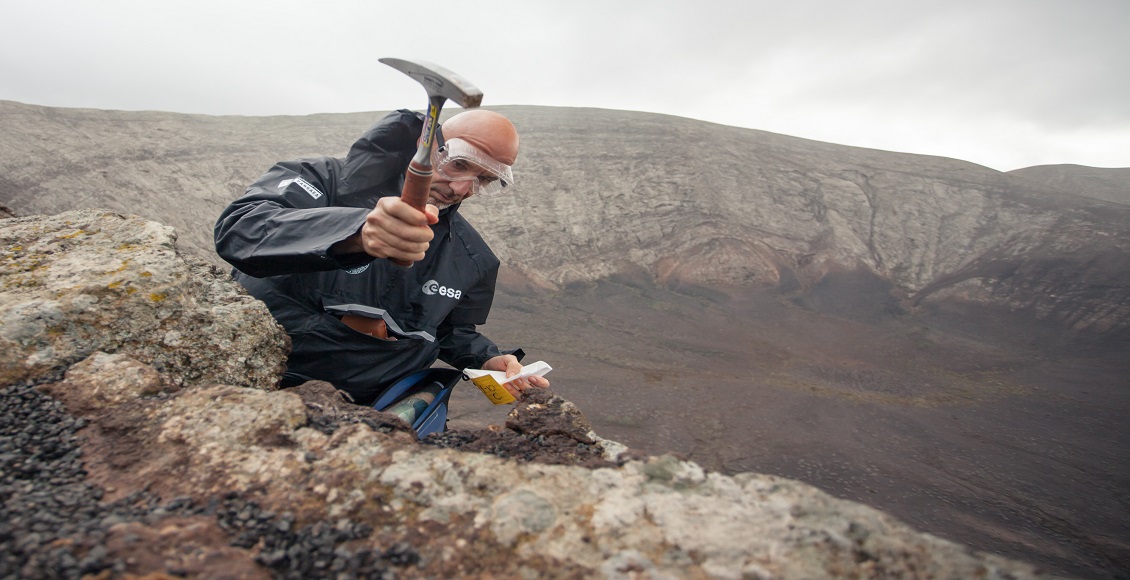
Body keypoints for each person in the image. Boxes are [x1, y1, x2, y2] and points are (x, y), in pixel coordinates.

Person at [214, 108, 550, 407]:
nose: (461, 189)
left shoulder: (473, 258)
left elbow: (449, 329)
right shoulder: (321, 180)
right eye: (458, 165)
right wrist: (354, 234)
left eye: (483, 180)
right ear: (427, 144)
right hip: (255, 384)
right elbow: (241, 230)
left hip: (375, 414)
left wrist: (488, 359)